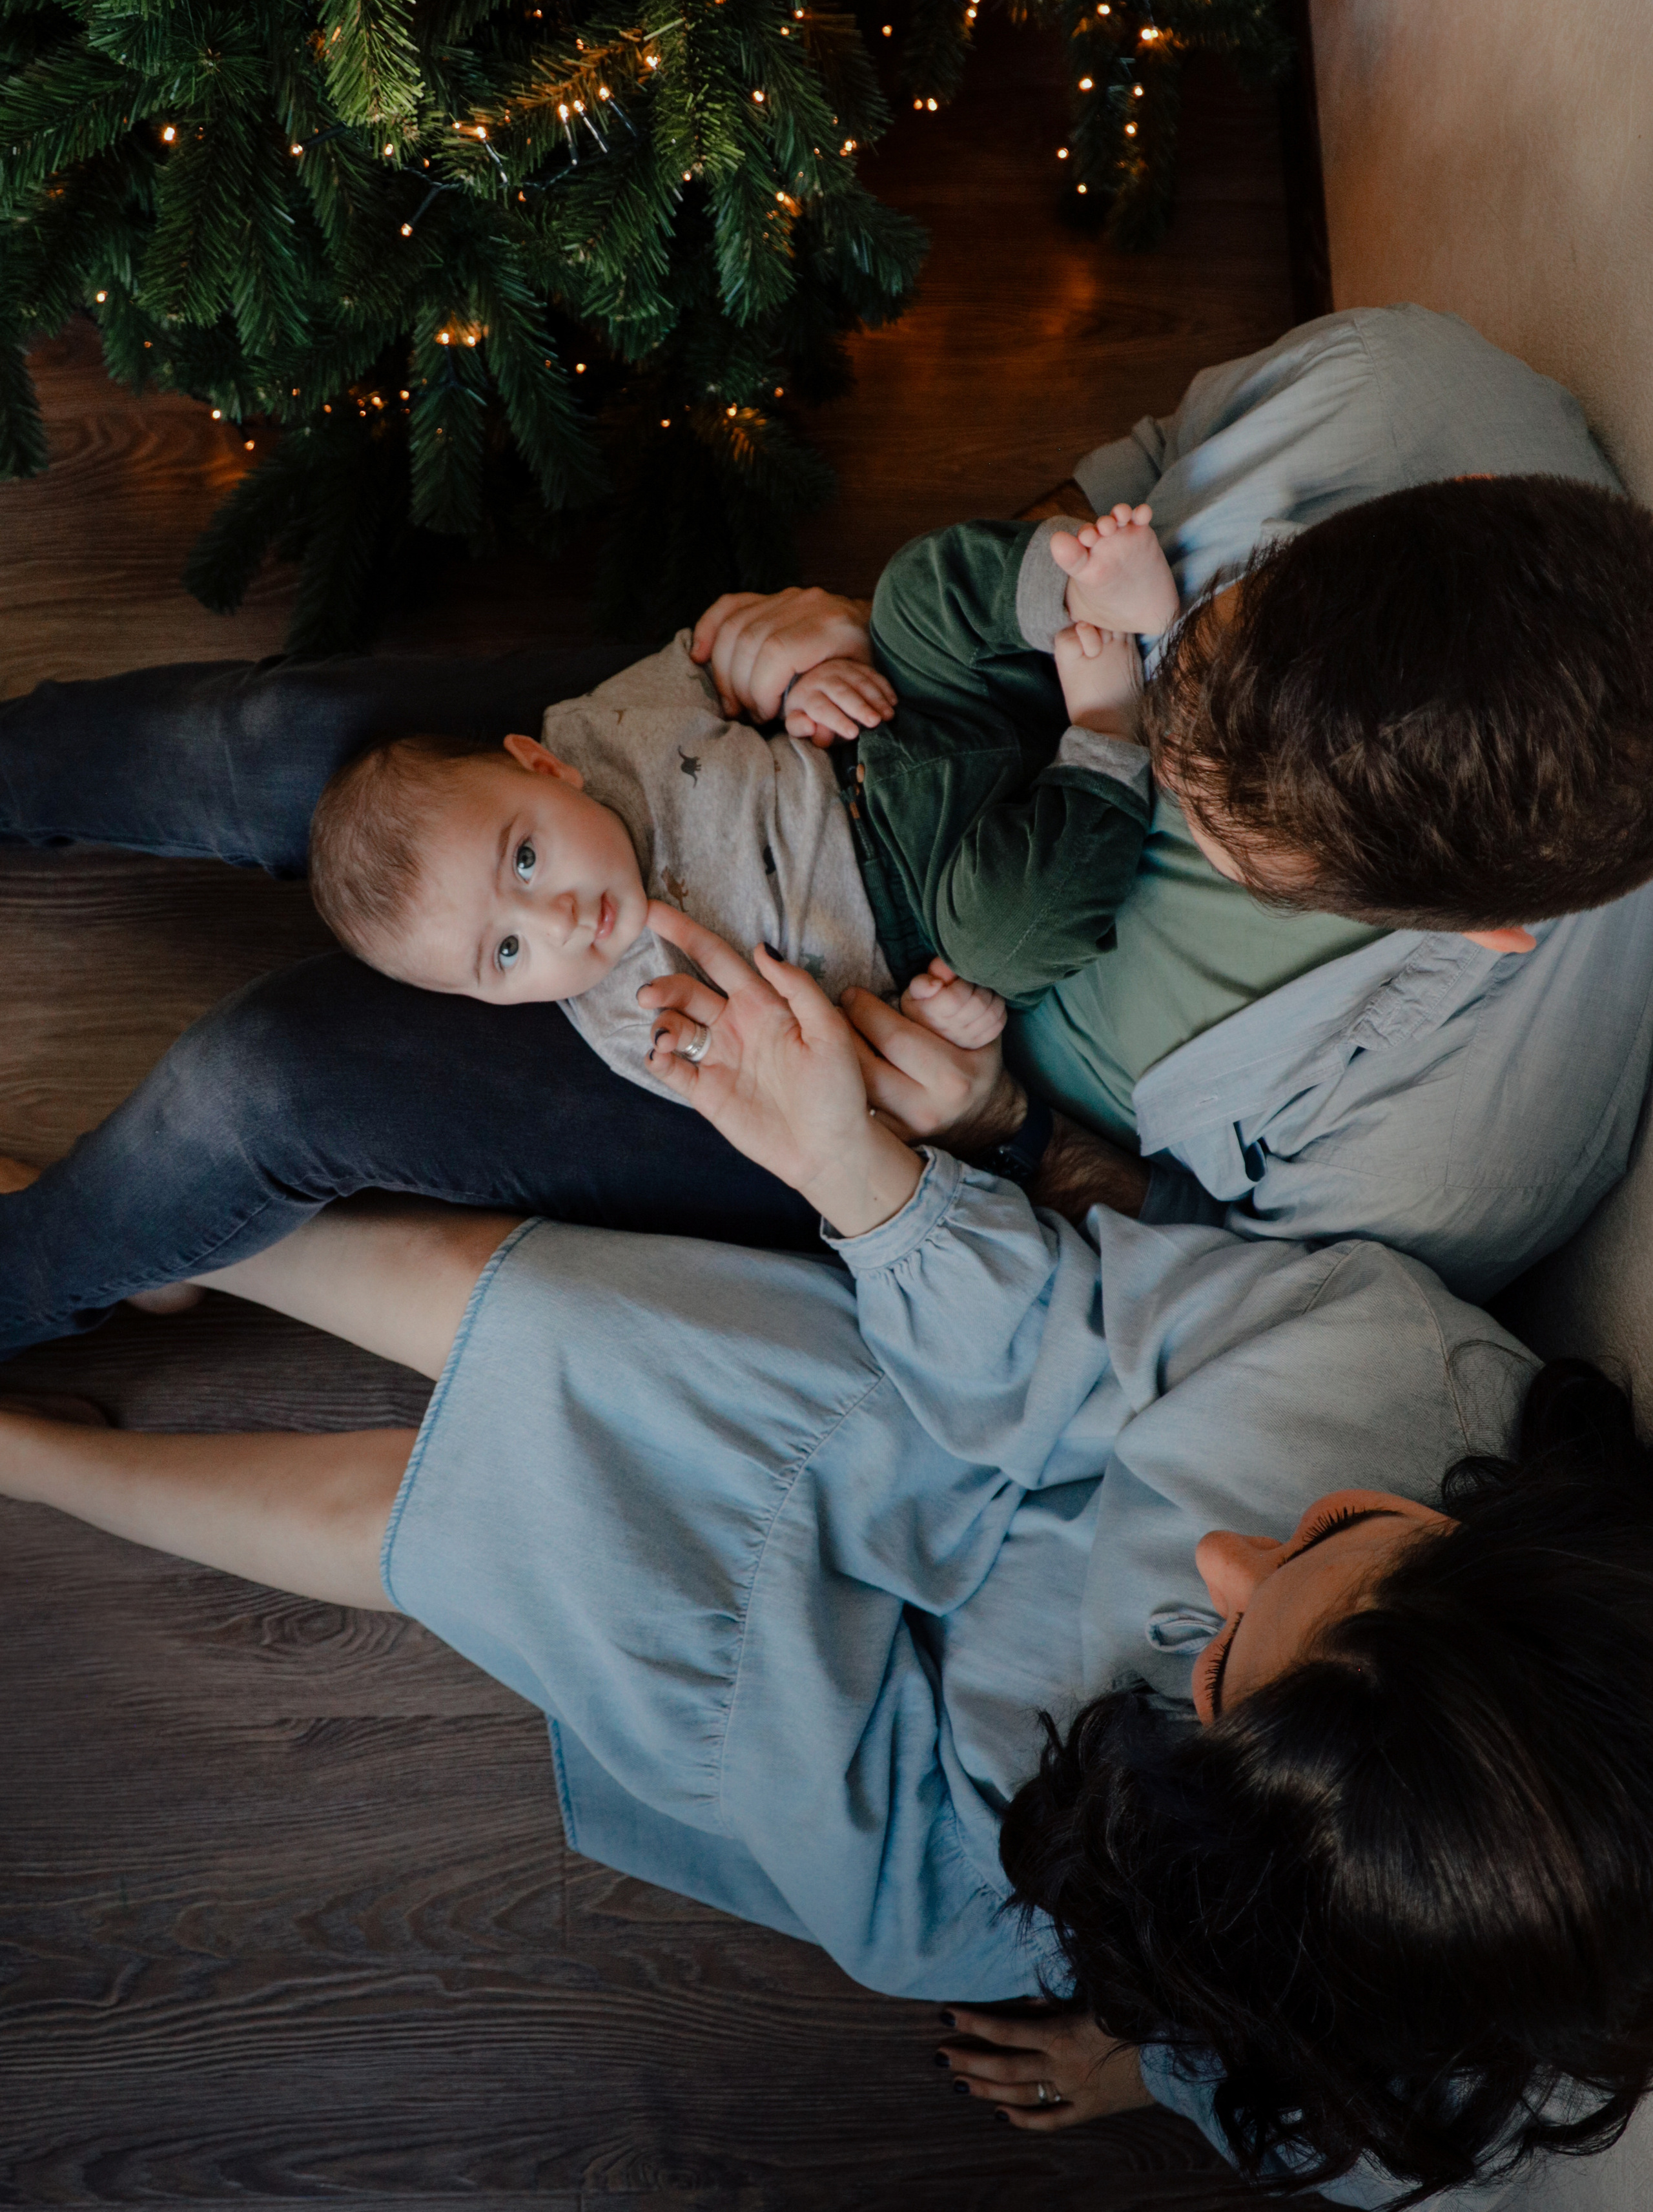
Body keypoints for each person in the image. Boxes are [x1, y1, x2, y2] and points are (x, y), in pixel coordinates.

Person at [6, 918, 1652, 2208]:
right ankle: (158, 1244)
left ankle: (40, 1456)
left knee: (450, 1530)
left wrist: (1140, 2051)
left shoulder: (1403, 2065)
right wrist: (855, 1179)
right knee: (550, 1318)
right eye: (1316, 1539)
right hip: (966, 1449)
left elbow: (1309, 2098)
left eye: (1223, 1667)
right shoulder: (1389, 1369)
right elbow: (1060, 1342)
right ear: (1471, 1528)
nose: (1221, 1556)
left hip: (960, 1806)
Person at [2, 304, 1651, 1358]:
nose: (1138, 718)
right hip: (843, 742)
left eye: (1221, 838)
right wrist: (838, 630)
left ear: (1468, 929)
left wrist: (997, 1133)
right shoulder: (1397, 396)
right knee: (290, 750)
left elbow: (1180, 1315)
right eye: (1197, 645)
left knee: (269, 1078)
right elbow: (1114, 490)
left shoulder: (1452, 1158)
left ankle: (33, 1280)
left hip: (862, 1031)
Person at [300, 508, 1180, 1099]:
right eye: (506, 951)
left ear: (541, 766)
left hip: (883, 728)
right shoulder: (636, 1023)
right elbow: (811, 1081)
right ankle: (1109, 726)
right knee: (1009, 930)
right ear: (491, 1004)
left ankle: (1088, 589)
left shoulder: (600, 730)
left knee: (916, 591)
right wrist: (928, 1024)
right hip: (929, 907)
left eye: (524, 860)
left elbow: (736, 668)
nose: (558, 919)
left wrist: (810, 677)